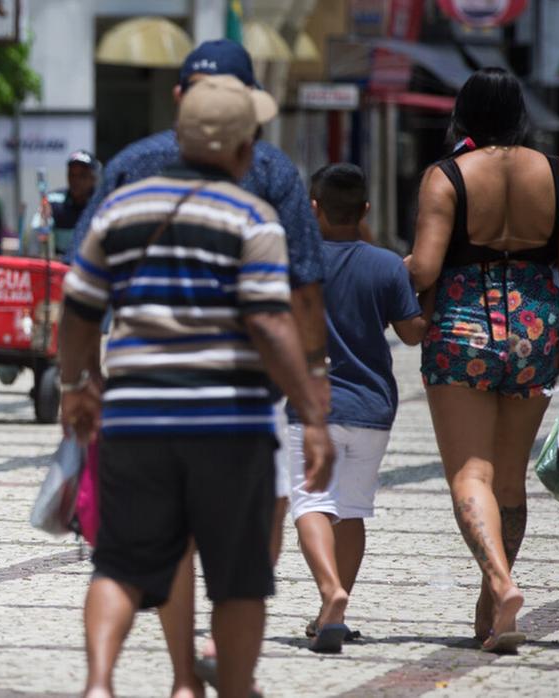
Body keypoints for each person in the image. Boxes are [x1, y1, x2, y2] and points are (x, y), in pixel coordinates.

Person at [67, 40, 330, 692]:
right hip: (230, 422)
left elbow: (76, 309)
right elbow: (275, 319)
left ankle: (100, 681)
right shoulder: (254, 214)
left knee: (121, 566)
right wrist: (313, 409)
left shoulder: (122, 201)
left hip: (133, 418)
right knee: (238, 575)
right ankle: (234, 690)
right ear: (246, 149)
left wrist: (79, 386)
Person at [407, 68, 559, 654]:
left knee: (469, 473)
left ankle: (501, 585)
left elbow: (425, 269)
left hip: (462, 327)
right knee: (508, 474)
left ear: (464, 116)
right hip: (536, 325)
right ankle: (489, 607)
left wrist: (390, 271)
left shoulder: (447, 175)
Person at [288, 164, 426, 653]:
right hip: (372, 408)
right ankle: (333, 616)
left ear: (312, 209)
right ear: (365, 210)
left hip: (310, 406)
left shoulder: (295, 263)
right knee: (350, 510)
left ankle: (331, 593)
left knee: (310, 503)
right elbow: (413, 333)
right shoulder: (387, 265)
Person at [35, 150, 98, 256]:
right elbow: (38, 234)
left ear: (93, 178)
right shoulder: (53, 200)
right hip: (61, 267)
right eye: (72, 174)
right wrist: (43, 222)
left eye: (82, 175)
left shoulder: (103, 202)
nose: (76, 180)